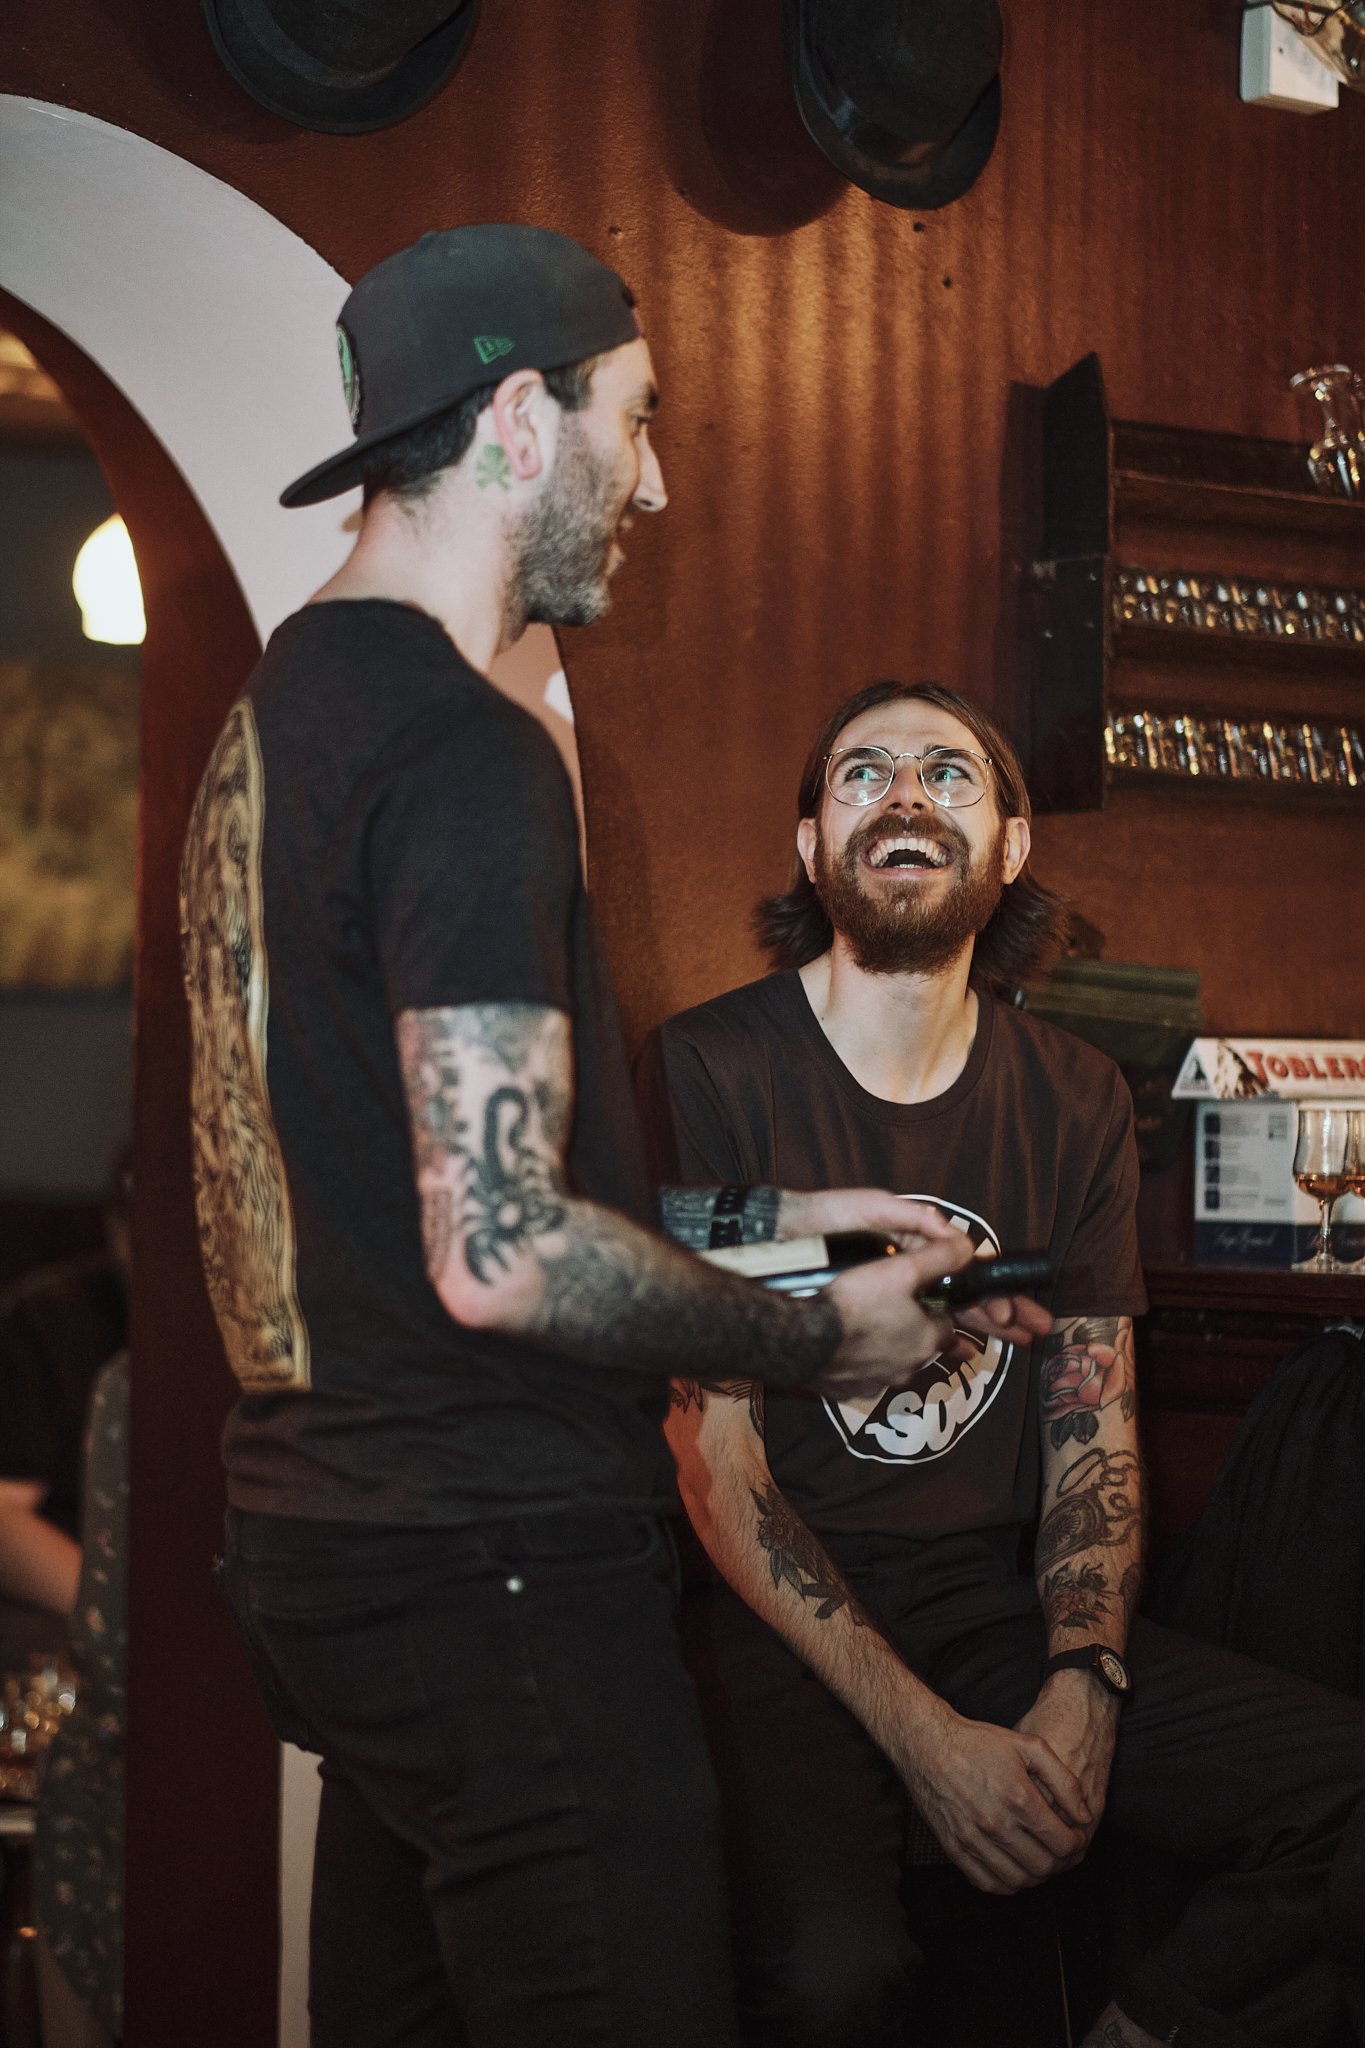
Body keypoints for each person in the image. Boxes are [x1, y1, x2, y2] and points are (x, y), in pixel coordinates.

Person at [180, 230, 1040, 2048]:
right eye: (632, 422)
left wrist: (798, 1218)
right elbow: (503, 1254)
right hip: (493, 1563)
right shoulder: (465, 747)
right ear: (516, 417)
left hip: (330, 1547)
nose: (652, 481)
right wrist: (828, 1333)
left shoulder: (281, 715)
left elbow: (436, 1182)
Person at [636, 678, 1365, 2048]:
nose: (904, 794)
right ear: (810, 846)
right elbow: (714, 1467)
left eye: (946, 772)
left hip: (985, 1611)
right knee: (839, 1969)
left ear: (1010, 846)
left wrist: (1083, 1679)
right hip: (766, 1621)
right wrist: (922, 1739)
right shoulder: (712, 1067)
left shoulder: (1074, 1094)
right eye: (862, 773)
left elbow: (1092, 1429)